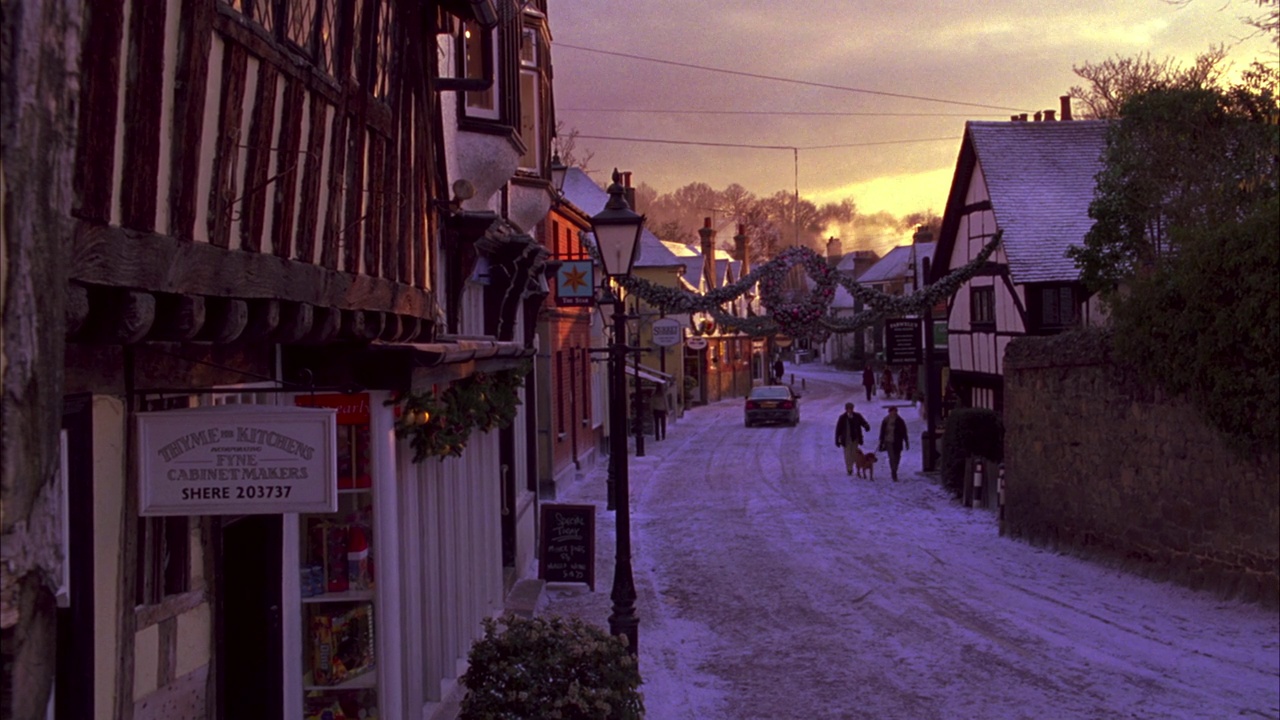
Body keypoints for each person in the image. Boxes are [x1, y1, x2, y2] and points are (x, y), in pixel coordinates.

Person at [834, 402, 871, 477]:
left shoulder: (857, 416)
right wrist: (837, 440)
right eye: (848, 409)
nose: (850, 410)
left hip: (855, 438)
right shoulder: (842, 418)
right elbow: (838, 429)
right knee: (847, 454)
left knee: (854, 454)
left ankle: (852, 464)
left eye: (851, 408)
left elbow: (863, 422)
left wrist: (866, 426)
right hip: (846, 439)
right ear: (846, 409)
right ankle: (849, 468)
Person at [878, 406, 910, 481]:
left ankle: (895, 468)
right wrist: (881, 441)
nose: (893, 413)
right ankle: (893, 471)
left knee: (897, 457)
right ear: (889, 412)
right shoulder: (885, 420)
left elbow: (904, 431)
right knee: (891, 457)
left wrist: (906, 441)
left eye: (895, 411)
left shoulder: (900, 421)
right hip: (888, 441)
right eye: (892, 411)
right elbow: (882, 431)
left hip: (898, 441)